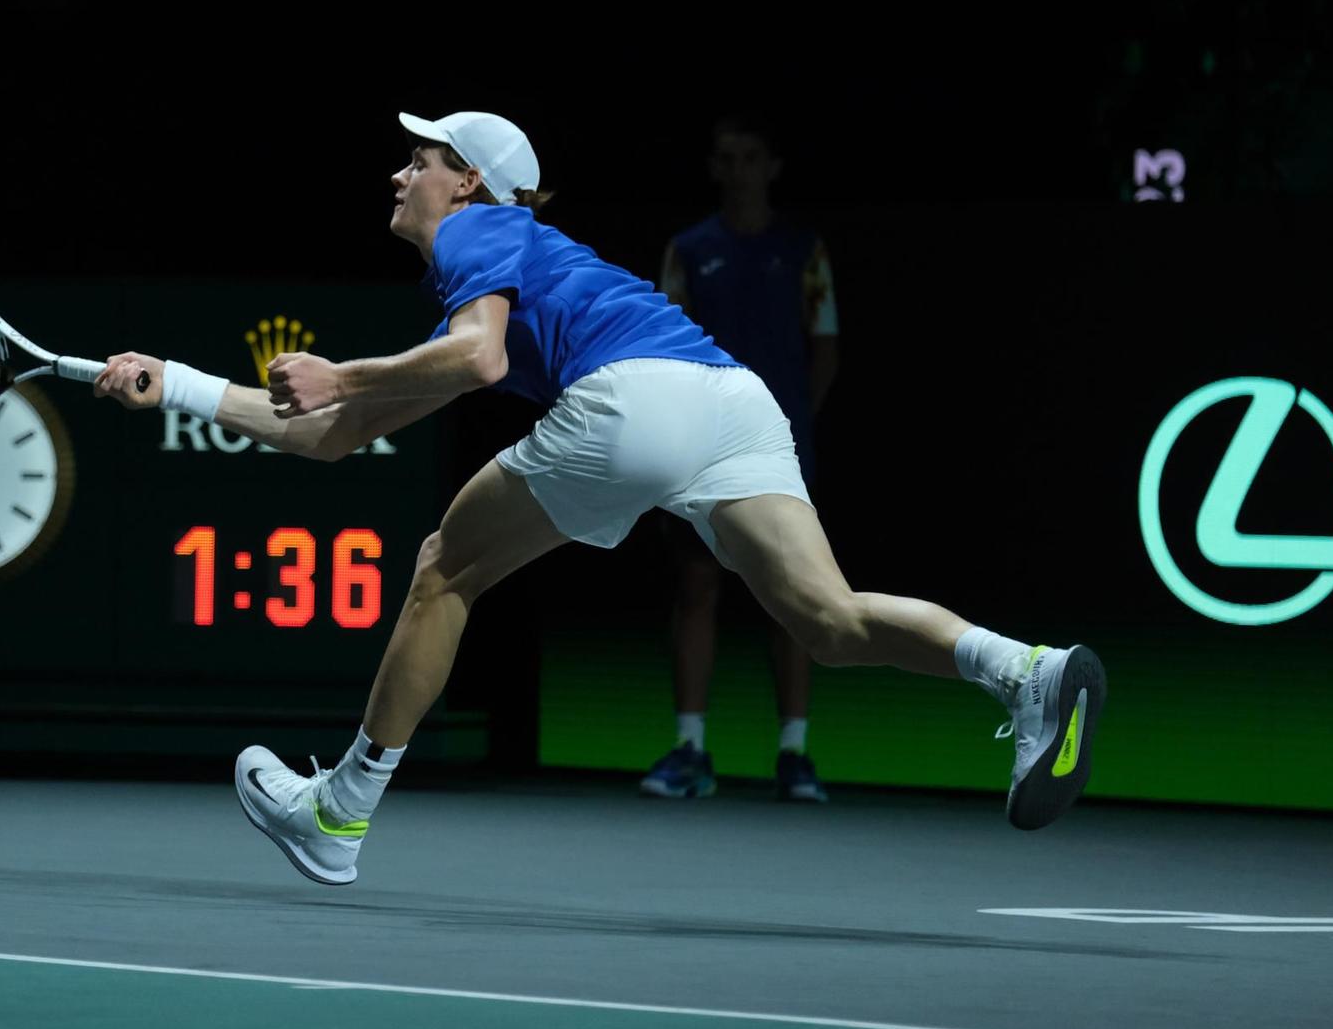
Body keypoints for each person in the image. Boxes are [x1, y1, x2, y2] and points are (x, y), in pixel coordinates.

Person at [93, 110, 1105, 886]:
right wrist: (176, 382)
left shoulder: (473, 234)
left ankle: (339, 811)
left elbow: (475, 361)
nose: (401, 173)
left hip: (636, 399)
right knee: (828, 621)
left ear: (471, 182)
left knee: (441, 570)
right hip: (729, 400)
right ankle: (1025, 671)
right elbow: (330, 437)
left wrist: (346, 372)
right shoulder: (485, 268)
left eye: (422, 158)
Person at [639, 114, 838, 805]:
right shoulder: (689, 250)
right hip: (699, 443)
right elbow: (662, 340)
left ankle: (794, 754)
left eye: (751, 156)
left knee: (792, 598)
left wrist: (788, 427)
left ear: (771, 166)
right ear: (715, 167)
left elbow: (826, 342)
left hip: (780, 449)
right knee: (697, 586)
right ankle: (690, 747)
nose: (739, 169)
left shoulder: (803, 250)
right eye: (727, 158)